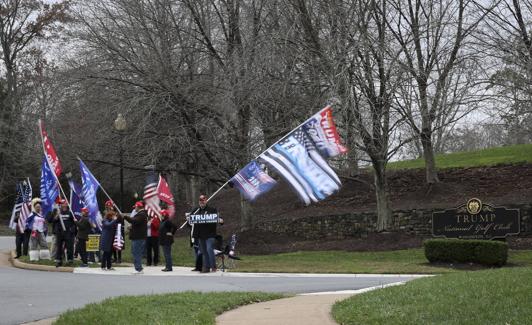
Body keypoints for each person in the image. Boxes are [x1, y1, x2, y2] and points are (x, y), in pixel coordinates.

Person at [189, 194, 223, 273]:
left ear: (206, 200)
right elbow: (190, 221)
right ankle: (206, 267)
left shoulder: (212, 209)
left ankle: (213, 266)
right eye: (200, 200)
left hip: (210, 234)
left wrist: (221, 220)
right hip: (200, 234)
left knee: (209, 248)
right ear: (199, 202)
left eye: (203, 200)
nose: (202, 202)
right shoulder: (196, 210)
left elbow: (218, 218)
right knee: (204, 251)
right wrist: (189, 220)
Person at [50, 200, 76, 267]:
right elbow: (53, 221)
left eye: (65, 203)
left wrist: (72, 230)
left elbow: (74, 223)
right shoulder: (59, 212)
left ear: (67, 204)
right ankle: (59, 260)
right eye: (62, 203)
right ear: (61, 205)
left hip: (68, 232)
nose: (64, 205)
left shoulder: (70, 213)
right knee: (59, 247)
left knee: (69, 247)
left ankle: (70, 260)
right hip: (60, 232)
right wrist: (57, 216)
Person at [123, 201, 147, 274]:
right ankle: (138, 268)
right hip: (137, 237)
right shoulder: (140, 214)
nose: (134, 208)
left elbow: (134, 221)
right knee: (135, 252)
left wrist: (125, 217)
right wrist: (132, 227)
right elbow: (136, 223)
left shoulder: (141, 214)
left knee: (137, 253)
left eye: (135, 207)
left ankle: (138, 269)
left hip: (138, 237)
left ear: (138, 207)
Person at [100, 205, 118, 271]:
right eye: (113, 216)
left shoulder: (112, 221)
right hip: (106, 239)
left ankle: (109, 266)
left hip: (111, 239)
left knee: (109, 254)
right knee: (105, 253)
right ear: (110, 216)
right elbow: (108, 225)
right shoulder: (105, 220)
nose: (114, 217)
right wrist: (114, 220)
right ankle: (103, 266)